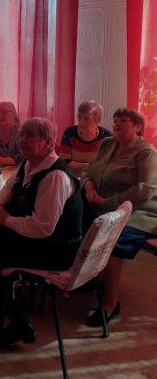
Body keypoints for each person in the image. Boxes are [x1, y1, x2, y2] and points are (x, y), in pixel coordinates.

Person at [0, 118, 82, 353]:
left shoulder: (55, 176)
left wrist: (6, 219)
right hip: (41, 241)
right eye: (22, 135)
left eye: (30, 136)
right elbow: (7, 190)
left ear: (49, 143)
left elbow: (43, 227)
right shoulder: (28, 165)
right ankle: (8, 317)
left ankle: (4, 318)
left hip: (57, 249)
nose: (23, 140)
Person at [81, 107, 157, 326]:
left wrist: (106, 202)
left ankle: (110, 303)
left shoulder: (146, 152)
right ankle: (89, 277)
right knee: (75, 220)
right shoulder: (107, 144)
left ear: (138, 127)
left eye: (123, 120)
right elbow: (88, 171)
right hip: (102, 207)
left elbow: (144, 191)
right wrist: (88, 186)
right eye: (115, 120)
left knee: (112, 238)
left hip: (139, 212)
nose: (116, 124)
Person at [60, 100, 112, 177]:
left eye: (86, 118)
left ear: (97, 120)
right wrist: (92, 166)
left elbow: (110, 163)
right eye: (79, 116)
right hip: (74, 179)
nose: (81, 122)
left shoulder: (107, 136)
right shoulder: (70, 133)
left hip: (97, 179)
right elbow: (64, 162)